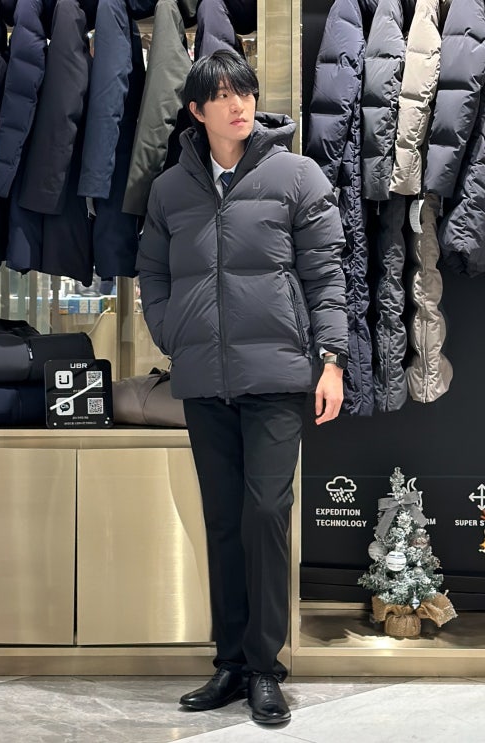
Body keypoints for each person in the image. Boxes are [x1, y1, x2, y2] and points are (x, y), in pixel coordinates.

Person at [136, 50, 349, 725]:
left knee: (265, 513)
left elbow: (327, 274)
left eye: (245, 92)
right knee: (224, 520)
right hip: (204, 378)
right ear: (197, 111)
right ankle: (229, 662)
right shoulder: (170, 189)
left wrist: (332, 359)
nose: (238, 104)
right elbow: (152, 272)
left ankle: (265, 667)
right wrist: (171, 331)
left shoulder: (296, 175)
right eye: (223, 95)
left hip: (276, 377)